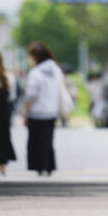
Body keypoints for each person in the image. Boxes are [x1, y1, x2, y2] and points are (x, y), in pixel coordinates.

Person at [22, 41, 65, 176]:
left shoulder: (36, 72)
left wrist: (26, 112)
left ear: (35, 56)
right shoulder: (56, 70)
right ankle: (49, 165)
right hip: (52, 110)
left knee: (36, 141)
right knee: (48, 140)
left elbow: (31, 95)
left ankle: (40, 167)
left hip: (37, 112)